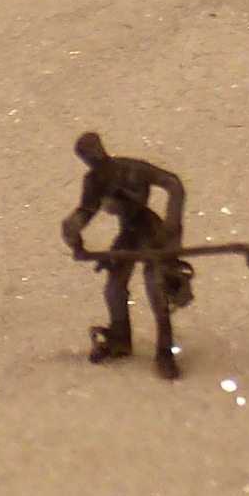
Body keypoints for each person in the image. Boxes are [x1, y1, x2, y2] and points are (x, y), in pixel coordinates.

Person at [63, 131, 188, 378]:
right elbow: (87, 210)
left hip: (152, 233)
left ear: (101, 149)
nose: (93, 159)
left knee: (156, 287)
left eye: (94, 153)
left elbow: (173, 184)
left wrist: (172, 223)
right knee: (114, 287)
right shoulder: (94, 181)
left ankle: (165, 351)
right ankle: (120, 338)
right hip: (128, 235)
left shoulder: (132, 169)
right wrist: (73, 228)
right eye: (87, 157)